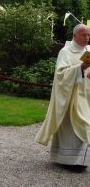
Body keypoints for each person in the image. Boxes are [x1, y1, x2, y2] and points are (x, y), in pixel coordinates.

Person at [35, 24, 90, 172]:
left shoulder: (88, 50)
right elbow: (61, 75)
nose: (87, 38)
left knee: (85, 125)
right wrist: (80, 68)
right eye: (83, 35)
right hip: (70, 98)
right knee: (73, 128)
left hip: (85, 96)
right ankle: (67, 160)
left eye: (88, 35)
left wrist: (87, 71)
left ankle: (81, 160)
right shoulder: (66, 52)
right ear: (74, 36)